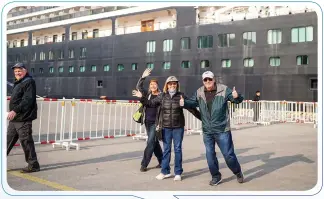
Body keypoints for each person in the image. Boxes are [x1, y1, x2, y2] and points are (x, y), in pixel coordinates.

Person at [180, 71, 244, 186]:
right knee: (210, 156)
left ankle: (237, 172)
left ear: (214, 80)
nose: (208, 82)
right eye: (205, 80)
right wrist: (184, 103)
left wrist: (237, 96)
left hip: (222, 129)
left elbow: (236, 100)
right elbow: (192, 102)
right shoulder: (199, 92)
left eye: (210, 79)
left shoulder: (223, 89)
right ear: (203, 81)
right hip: (207, 131)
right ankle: (216, 176)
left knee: (228, 155)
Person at [133, 76, 200, 181]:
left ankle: (178, 173)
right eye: (170, 83)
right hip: (166, 127)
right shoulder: (162, 96)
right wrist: (142, 97)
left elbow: (192, 108)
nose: (172, 85)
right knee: (166, 150)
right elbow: (150, 103)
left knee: (177, 149)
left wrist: (202, 118)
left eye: (174, 83)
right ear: (167, 85)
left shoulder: (181, 96)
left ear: (177, 85)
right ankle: (165, 171)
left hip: (178, 127)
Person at [7, 63, 40, 173]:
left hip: (23, 118)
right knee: (7, 141)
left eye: (19, 71)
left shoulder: (28, 82)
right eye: (16, 71)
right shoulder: (19, 82)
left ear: (25, 71)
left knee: (26, 141)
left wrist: (15, 110)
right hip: (15, 118)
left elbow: (28, 100)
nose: (17, 73)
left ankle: (33, 165)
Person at [136, 68, 163, 172]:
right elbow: (138, 87)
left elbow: (150, 103)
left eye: (154, 84)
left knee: (150, 142)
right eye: (151, 84)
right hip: (147, 121)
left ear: (157, 86)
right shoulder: (148, 94)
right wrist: (143, 77)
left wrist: (141, 98)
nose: (153, 86)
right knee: (154, 142)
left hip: (156, 123)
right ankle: (162, 161)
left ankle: (144, 164)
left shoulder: (160, 95)